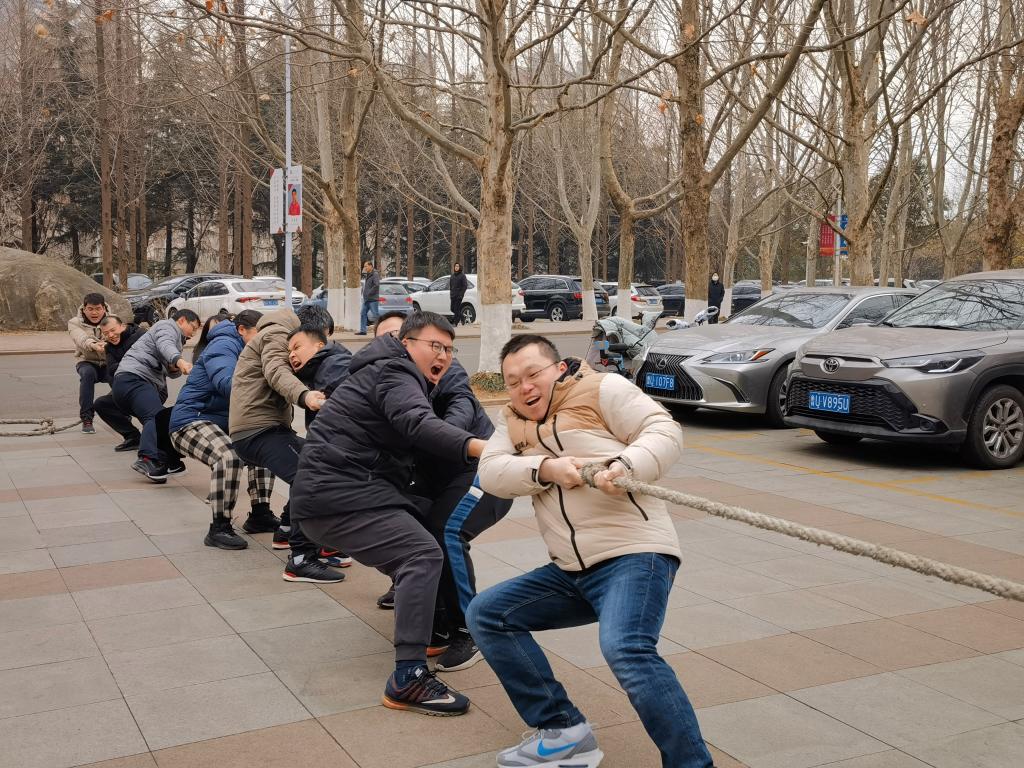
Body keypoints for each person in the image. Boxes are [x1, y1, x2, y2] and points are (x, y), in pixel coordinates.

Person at [468, 334, 712, 768]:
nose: (524, 388)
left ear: (559, 368)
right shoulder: (511, 420)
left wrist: (626, 466)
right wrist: (547, 469)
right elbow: (491, 472)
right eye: (513, 382)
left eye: (533, 374)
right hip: (570, 569)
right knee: (487, 614)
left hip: (635, 553)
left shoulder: (603, 388)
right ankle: (564, 731)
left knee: (625, 648)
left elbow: (663, 430)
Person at [289, 311, 487, 716]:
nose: (443, 355)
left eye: (449, 349)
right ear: (405, 343)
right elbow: (417, 423)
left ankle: (432, 626)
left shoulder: (385, 371)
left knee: (425, 535)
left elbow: (449, 409)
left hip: (337, 495)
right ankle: (409, 677)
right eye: (435, 346)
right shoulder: (395, 371)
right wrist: (488, 448)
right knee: (422, 554)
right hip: (342, 495)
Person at [228, 309, 342, 584]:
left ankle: (288, 531)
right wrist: (305, 396)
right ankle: (301, 559)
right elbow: (276, 371)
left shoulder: (277, 333)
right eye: (318, 341)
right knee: (310, 475)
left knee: (318, 464)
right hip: (258, 430)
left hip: (264, 428)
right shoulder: (277, 333)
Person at [170, 310, 281, 550]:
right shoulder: (223, 345)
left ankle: (260, 514)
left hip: (224, 423)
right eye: (260, 333)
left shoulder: (252, 348)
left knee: (265, 446)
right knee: (228, 457)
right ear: (242, 330)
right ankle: (219, 528)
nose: (265, 339)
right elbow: (228, 384)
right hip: (191, 421)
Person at [112, 309, 201, 482]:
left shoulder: (176, 339)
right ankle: (146, 459)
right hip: (134, 380)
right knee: (155, 416)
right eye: (194, 327)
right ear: (182, 320)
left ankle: (170, 461)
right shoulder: (166, 326)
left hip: (130, 385)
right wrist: (180, 361)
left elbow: (169, 367)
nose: (194, 333)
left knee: (159, 419)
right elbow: (165, 345)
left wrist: (175, 366)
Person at [93, 315, 147, 452]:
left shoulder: (141, 336)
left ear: (123, 326)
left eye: (113, 330)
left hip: (147, 385)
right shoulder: (109, 347)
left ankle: (157, 437)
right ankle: (133, 437)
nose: (111, 336)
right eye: (106, 333)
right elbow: (111, 370)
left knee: (146, 413)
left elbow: (145, 362)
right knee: (101, 404)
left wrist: (122, 365)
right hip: (125, 387)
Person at [68, 293, 109, 433]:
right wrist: (93, 345)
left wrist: (108, 344)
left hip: (109, 361)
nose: (94, 313)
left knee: (121, 377)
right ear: (84, 309)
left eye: (98, 309)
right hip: (87, 361)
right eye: (90, 309)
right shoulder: (74, 322)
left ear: (104, 308)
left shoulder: (113, 319)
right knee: (87, 374)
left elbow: (117, 335)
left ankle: (122, 413)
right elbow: (80, 338)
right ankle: (87, 419)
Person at [358, 260, 380, 335]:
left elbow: (376, 285)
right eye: (364, 266)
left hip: (373, 299)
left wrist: (369, 293)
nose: (365, 268)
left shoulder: (375, 274)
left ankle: (380, 330)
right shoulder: (368, 274)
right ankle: (363, 331)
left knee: (375, 315)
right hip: (367, 299)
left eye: (366, 266)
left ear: (370, 266)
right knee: (363, 314)